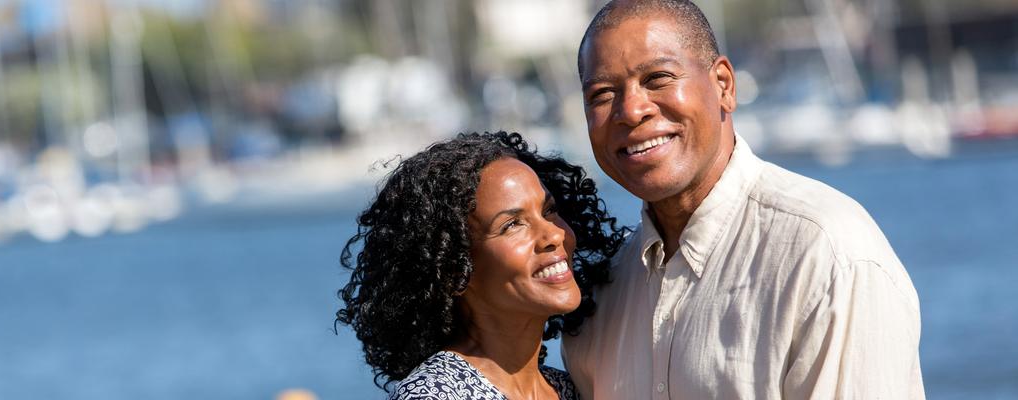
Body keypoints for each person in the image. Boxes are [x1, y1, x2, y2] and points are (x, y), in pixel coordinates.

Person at [561, 1, 925, 398]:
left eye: (658, 78)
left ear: (724, 85)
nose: (631, 111)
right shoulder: (600, 300)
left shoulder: (824, 252)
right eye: (602, 94)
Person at [336, 132, 626, 399]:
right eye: (513, 224)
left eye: (548, 210)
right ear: (453, 270)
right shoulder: (435, 395)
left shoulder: (567, 388)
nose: (553, 234)